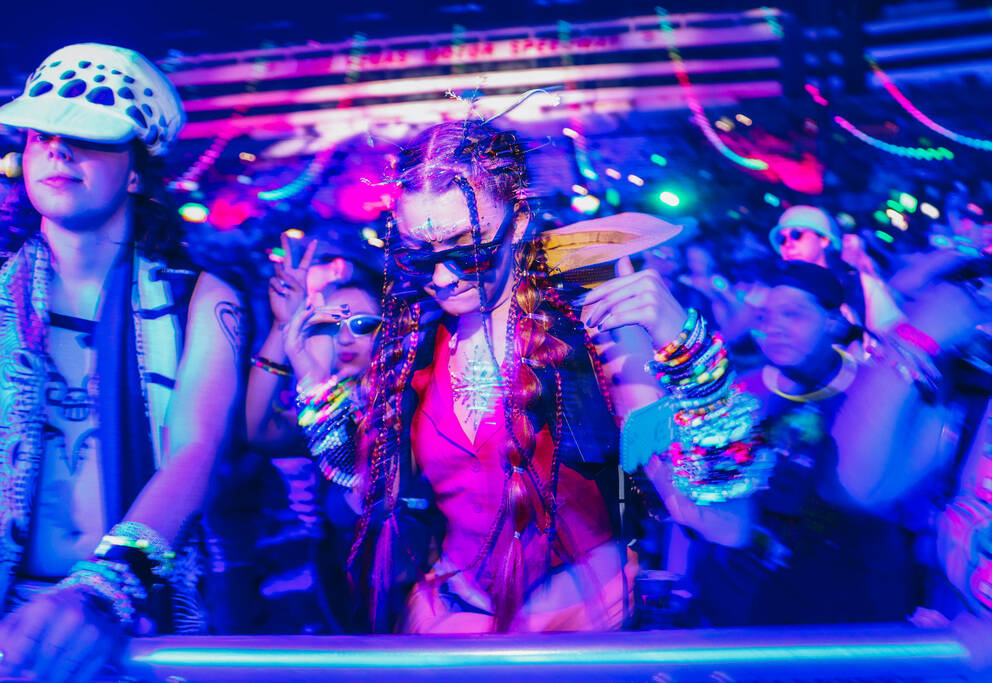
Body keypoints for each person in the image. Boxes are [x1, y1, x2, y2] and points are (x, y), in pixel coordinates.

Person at [346, 119, 719, 634]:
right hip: (453, 637)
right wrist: (319, 387)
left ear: (519, 222)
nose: (440, 277)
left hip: (584, 640)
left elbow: (715, 518)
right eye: (417, 254)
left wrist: (688, 348)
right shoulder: (414, 349)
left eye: (466, 250)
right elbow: (361, 497)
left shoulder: (594, 331)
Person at [0, 43, 245, 682]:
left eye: (88, 138)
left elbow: (193, 453)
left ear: (137, 171)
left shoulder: (200, 300)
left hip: (134, 622)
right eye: (43, 136)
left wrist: (100, 594)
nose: (58, 150)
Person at [679, 261, 919, 625]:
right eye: (765, 317)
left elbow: (901, 505)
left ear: (834, 322)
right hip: (743, 606)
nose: (774, 328)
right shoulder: (740, 393)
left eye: (792, 315)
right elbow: (707, 499)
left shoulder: (875, 394)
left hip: (849, 608)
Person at [245, 234, 381, 633]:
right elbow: (259, 430)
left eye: (362, 324)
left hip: (406, 608)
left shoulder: (407, 405)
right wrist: (281, 326)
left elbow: (353, 459)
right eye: (331, 324)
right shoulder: (322, 405)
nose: (344, 337)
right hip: (340, 605)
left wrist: (309, 372)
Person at [768, 204, 903, 335]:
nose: (788, 244)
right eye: (782, 239)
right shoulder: (781, 294)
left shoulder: (858, 284)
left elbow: (894, 336)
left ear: (824, 240)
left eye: (796, 234)